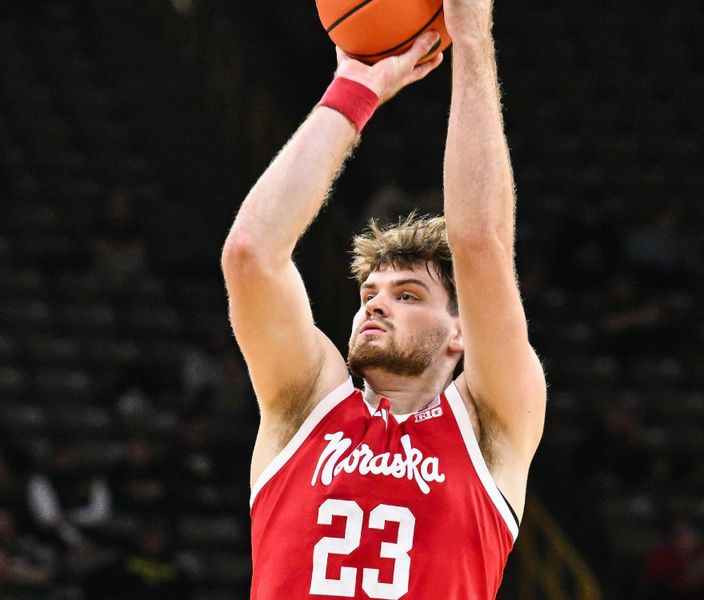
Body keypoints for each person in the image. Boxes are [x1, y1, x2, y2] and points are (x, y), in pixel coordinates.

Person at [221, 0, 547, 597]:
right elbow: (250, 255)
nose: (375, 304)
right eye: (370, 293)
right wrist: (353, 88)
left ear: (459, 331)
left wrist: (472, 37)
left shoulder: (491, 424)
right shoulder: (304, 404)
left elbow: (479, 241)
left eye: (406, 294)